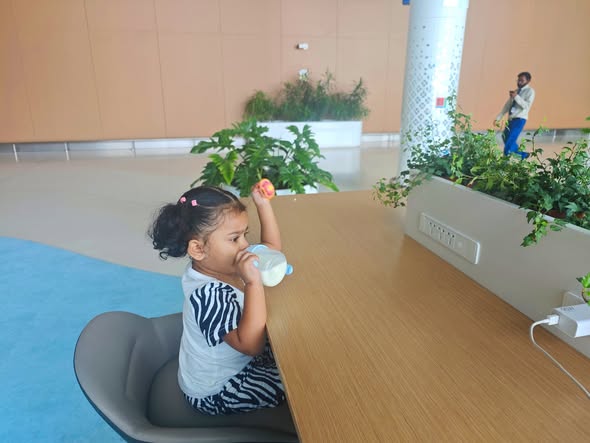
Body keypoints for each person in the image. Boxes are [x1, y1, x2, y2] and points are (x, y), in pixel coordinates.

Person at [148, 185, 285, 415]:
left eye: (245, 234)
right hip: (218, 388)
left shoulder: (222, 263)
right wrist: (253, 284)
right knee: (298, 382)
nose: (245, 245)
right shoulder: (207, 294)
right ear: (198, 249)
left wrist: (263, 205)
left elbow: (271, 253)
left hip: (237, 359)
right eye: (234, 238)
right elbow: (250, 345)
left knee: (294, 352)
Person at [495, 71, 535, 159]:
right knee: (505, 137)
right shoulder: (516, 91)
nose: (519, 82)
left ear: (528, 81)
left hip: (520, 119)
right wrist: (498, 117)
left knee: (510, 139)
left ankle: (505, 159)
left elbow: (526, 106)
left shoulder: (530, 91)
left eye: (522, 80)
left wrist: (516, 97)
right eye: (518, 80)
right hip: (511, 119)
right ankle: (523, 155)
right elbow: (507, 105)